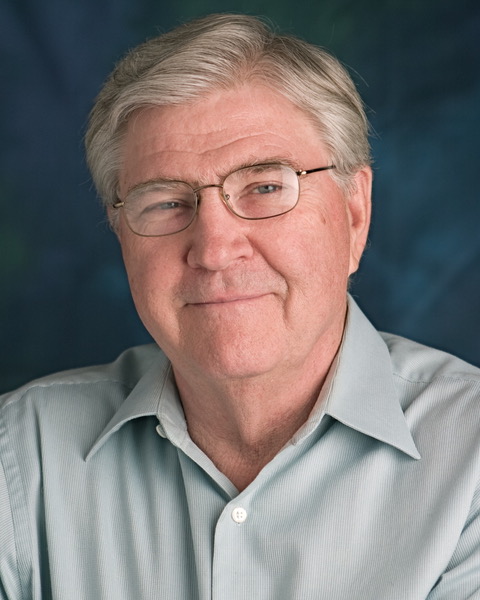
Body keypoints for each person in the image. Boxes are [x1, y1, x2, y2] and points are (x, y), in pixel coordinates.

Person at [1, 13, 479, 600]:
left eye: (265, 187)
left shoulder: (471, 465)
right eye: (166, 202)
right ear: (120, 233)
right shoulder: (16, 459)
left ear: (355, 214)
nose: (214, 249)